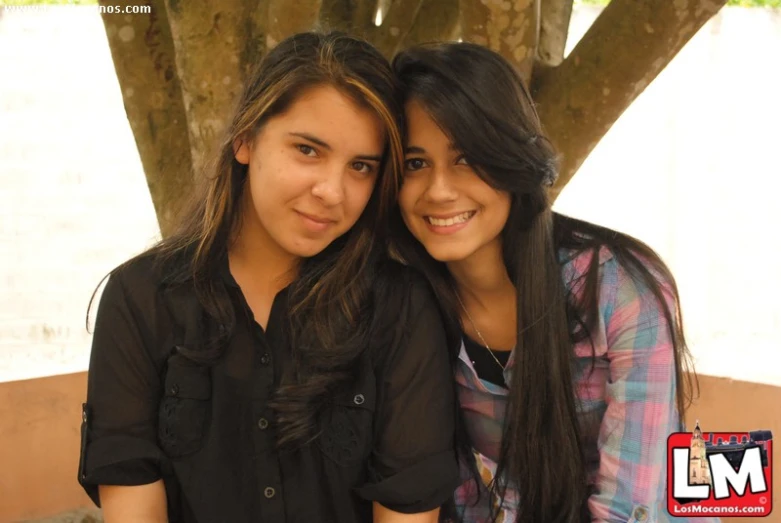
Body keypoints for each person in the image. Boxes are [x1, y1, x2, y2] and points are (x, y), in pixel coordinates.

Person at [78, 32, 460, 523]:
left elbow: (408, 509)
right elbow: (133, 508)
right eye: (307, 150)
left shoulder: (398, 309)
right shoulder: (141, 300)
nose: (331, 191)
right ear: (245, 139)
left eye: (361, 166)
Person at [390, 42, 719, 522]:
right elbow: (455, 493)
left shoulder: (620, 290)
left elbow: (631, 509)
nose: (439, 190)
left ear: (510, 161)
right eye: (415, 163)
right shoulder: (406, 301)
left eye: (465, 158)